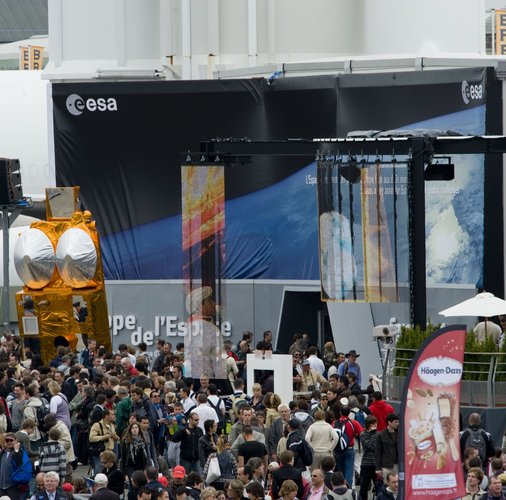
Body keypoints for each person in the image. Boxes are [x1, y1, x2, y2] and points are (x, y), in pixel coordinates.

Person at [184, 287, 227, 381]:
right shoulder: (210, 329)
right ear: (200, 305)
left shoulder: (190, 326)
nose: (213, 303)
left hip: (194, 378)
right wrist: (222, 382)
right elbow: (219, 361)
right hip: (209, 379)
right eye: (210, 300)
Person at [359, 415, 378, 500]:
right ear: (369, 425)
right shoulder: (363, 434)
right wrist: (373, 434)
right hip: (366, 464)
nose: (376, 425)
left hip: (377, 464)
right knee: (364, 486)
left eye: (376, 423)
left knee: (379, 485)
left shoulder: (378, 434)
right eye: (374, 424)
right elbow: (371, 446)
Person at [375, 413, 399, 478]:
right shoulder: (381, 435)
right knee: (386, 484)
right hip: (386, 465)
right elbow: (378, 452)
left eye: (398, 422)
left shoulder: (400, 433)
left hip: (398, 464)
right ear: (389, 422)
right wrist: (378, 468)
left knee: (398, 484)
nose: (397, 424)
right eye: (395, 422)